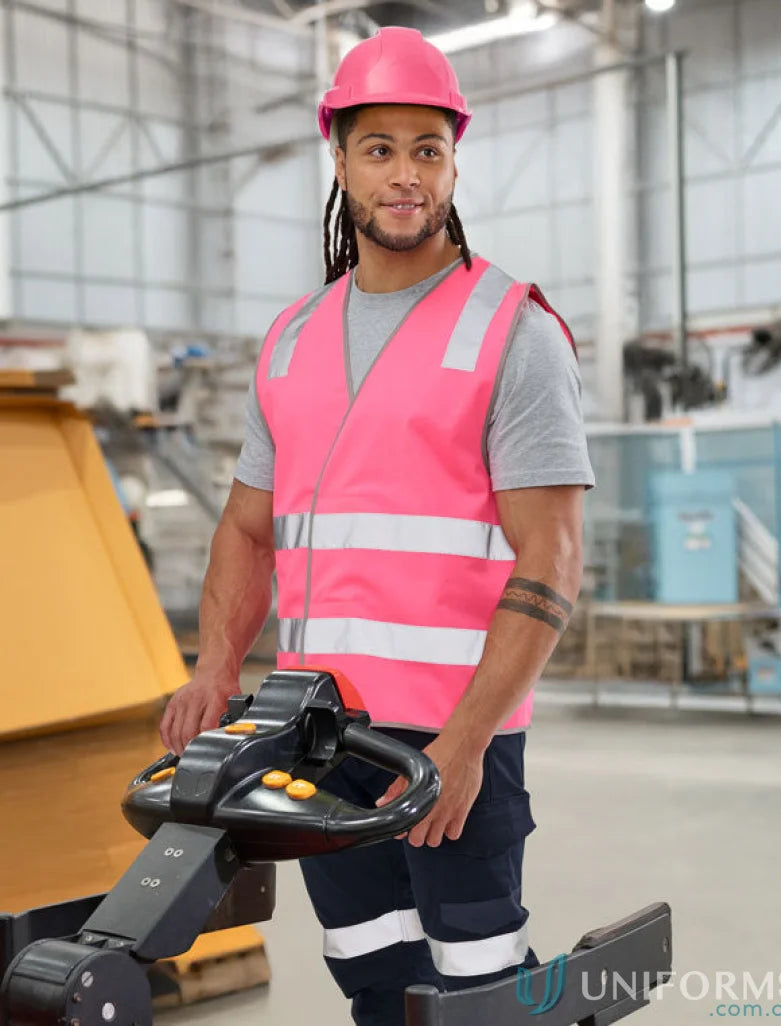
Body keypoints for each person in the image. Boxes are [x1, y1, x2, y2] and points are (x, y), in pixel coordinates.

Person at [160, 25, 595, 1026]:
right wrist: (214, 669)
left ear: (454, 162)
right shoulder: (291, 338)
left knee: (477, 978)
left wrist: (467, 741)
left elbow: (553, 554)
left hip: (452, 732)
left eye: (427, 150)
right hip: (319, 730)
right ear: (340, 160)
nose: (405, 175)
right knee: (370, 974)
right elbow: (246, 528)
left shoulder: (512, 330)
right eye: (379, 148)